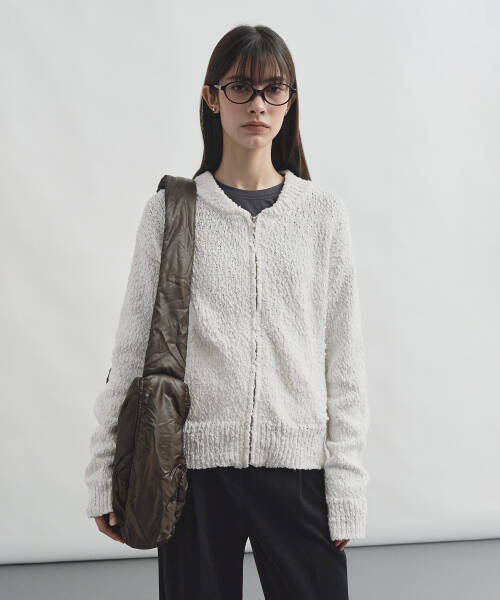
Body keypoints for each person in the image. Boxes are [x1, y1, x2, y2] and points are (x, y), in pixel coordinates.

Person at [84, 23, 370, 600]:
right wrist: (103, 471)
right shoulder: (171, 211)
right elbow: (132, 348)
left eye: (273, 89)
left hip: (298, 472)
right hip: (191, 474)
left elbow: (344, 362)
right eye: (240, 87)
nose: (257, 105)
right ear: (211, 98)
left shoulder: (322, 215)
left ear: (289, 101)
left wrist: (346, 486)